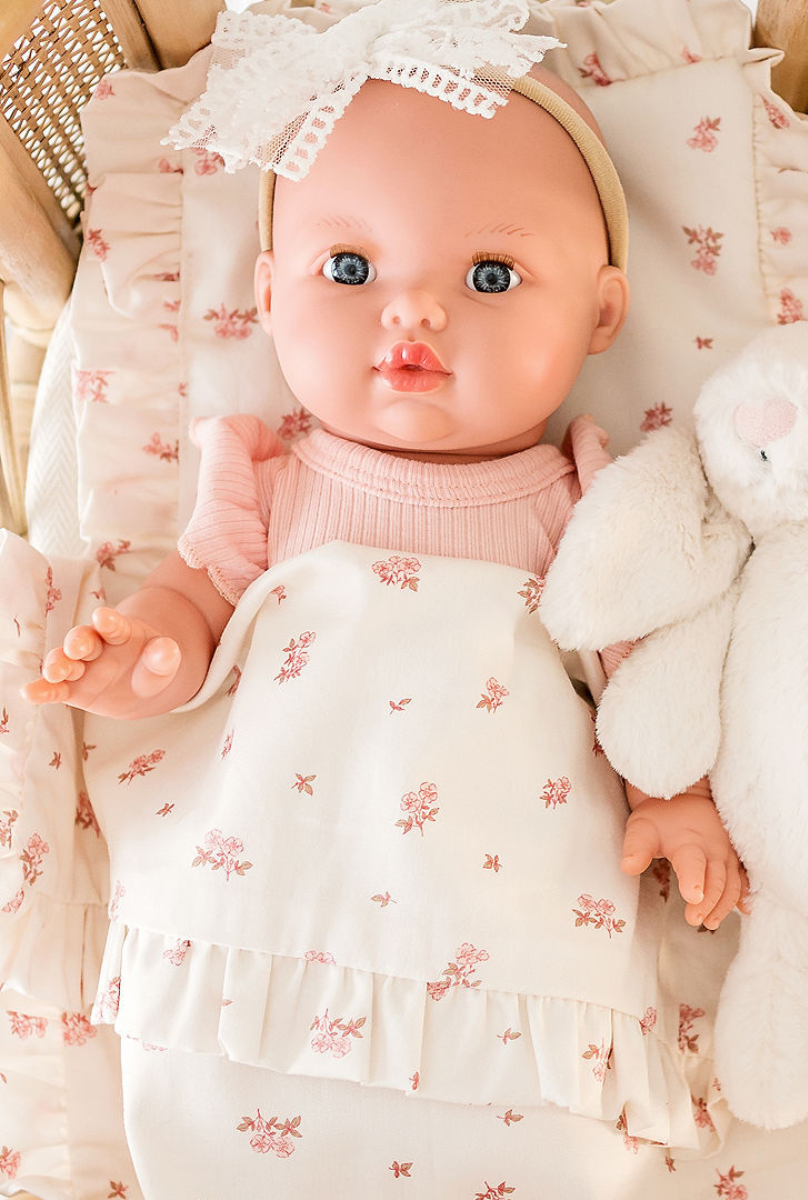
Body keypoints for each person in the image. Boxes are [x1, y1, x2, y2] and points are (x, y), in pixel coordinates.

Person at [20, 7, 747, 1189]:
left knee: (548, 1135)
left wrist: (673, 794)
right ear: (264, 290)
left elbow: (642, 677)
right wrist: (148, 650)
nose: (415, 311)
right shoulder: (258, 472)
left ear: (604, 314)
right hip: (266, 893)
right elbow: (194, 605)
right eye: (350, 269)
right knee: (211, 1101)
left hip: (504, 921)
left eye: (493, 274)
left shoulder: (585, 502)